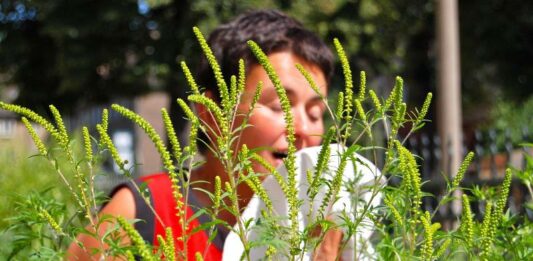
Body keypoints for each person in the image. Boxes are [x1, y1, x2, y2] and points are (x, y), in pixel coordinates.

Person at [68, 9, 340, 260]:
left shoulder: (327, 225)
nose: (303, 129)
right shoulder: (144, 212)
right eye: (280, 106)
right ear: (212, 114)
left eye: (316, 113)